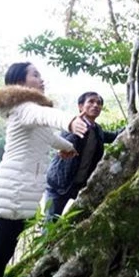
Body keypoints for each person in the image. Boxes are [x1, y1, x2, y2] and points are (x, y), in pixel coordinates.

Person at [0, 62, 87, 277]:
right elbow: (48, 117)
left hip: (21, 192)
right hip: (14, 190)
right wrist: (72, 120)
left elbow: (49, 136)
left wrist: (67, 148)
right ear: (20, 82)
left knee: (4, 253)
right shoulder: (24, 108)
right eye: (35, 75)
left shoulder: (29, 112)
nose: (41, 79)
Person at [45, 91, 123, 221]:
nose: (96, 105)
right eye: (91, 102)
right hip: (59, 185)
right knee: (50, 224)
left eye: (98, 103)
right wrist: (76, 126)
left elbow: (115, 135)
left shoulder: (97, 130)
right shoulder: (72, 124)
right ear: (80, 106)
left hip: (80, 186)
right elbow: (65, 141)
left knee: (80, 222)